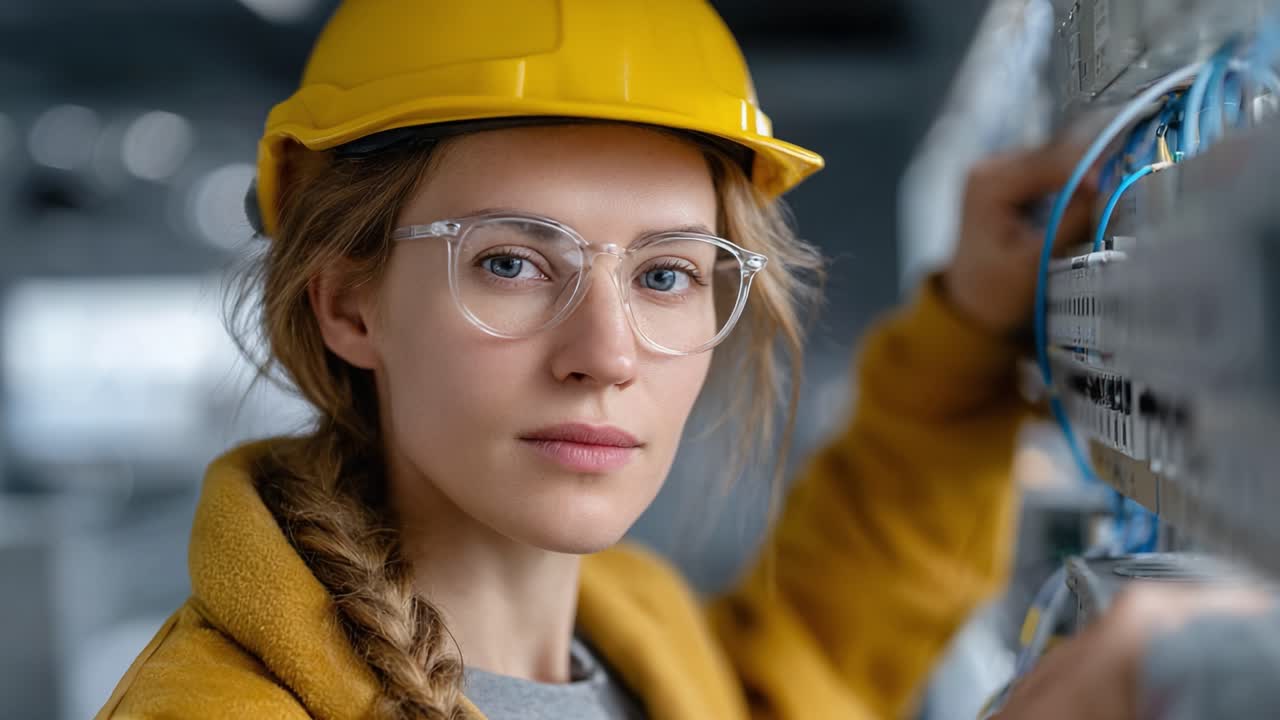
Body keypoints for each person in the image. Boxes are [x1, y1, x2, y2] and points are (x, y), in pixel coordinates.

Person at [94, 1, 1200, 718]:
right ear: (348, 306)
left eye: (666, 274)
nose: (607, 355)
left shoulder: (634, 630)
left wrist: (967, 327)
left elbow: (808, 658)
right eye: (511, 264)